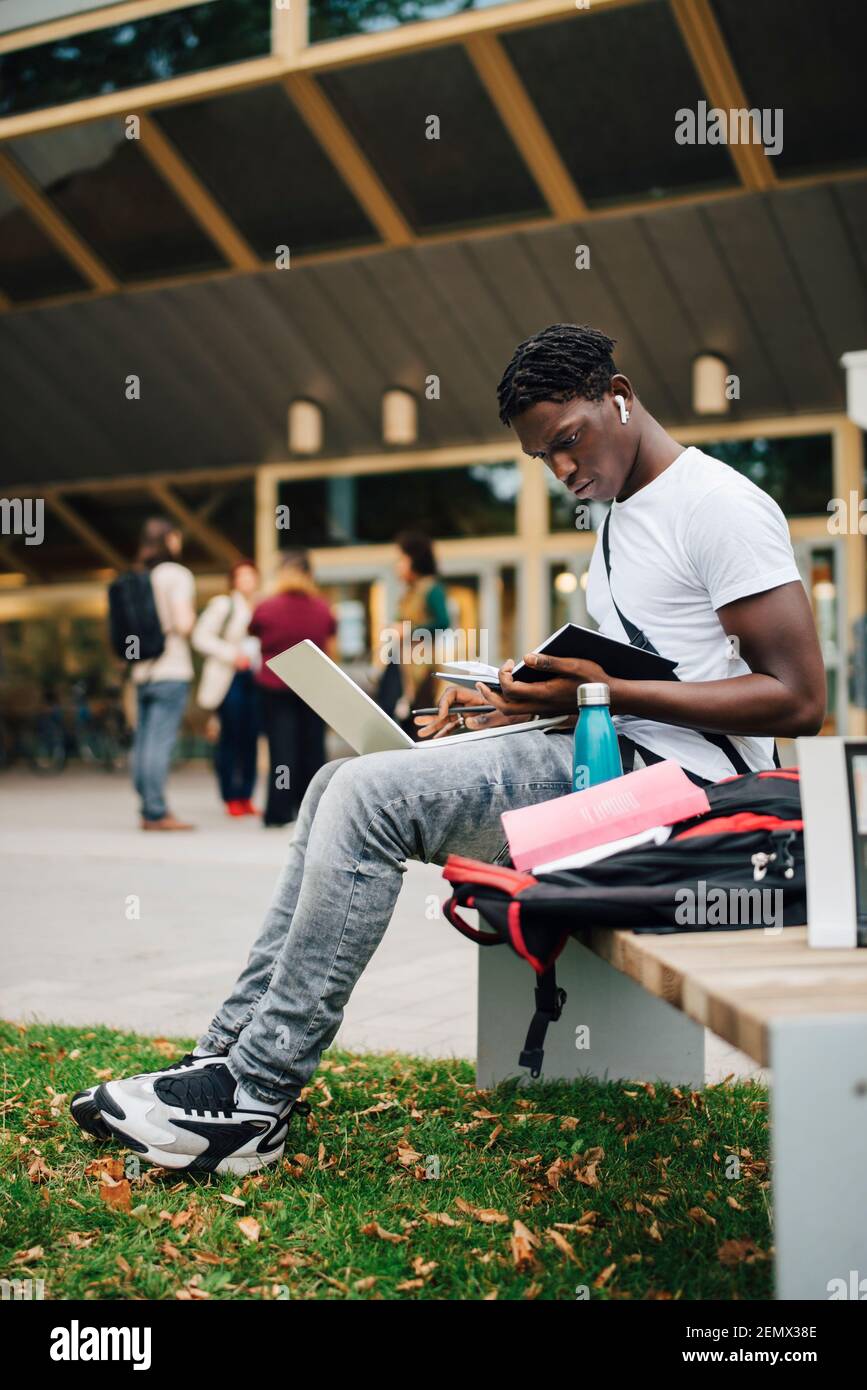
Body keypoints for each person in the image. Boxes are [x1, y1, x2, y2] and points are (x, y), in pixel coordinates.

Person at [72, 324, 826, 1173]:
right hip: (615, 765)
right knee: (334, 781)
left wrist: (597, 693)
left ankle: (254, 1099)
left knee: (369, 799)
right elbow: (625, 669)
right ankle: (224, 1054)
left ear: (618, 394)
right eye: (543, 458)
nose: (563, 471)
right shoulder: (620, 515)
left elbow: (798, 698)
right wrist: (507, 704)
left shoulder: (717, 505)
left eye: (567, 442)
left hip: (685, 798)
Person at [250, 550, 337, 828]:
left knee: (281, 749)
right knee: (312, 748)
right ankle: (311, 811)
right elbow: (331, 648)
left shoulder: (267, 607)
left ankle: (278, 811)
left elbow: (254, 635)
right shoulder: (322, 608)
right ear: (309, 575)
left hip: (274, 685)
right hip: (313, 684)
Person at [130, 517, 196, 832]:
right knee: (160, 741)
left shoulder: (139, 576)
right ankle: (156, 811)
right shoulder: (176, 575)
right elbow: (183, 624)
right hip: (170, 666)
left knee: (144, 739)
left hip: (142, 669)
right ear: (170, 539)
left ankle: (147, 806)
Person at [192, 559, 261, 817]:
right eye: (241, 576)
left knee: (250, 738)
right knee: (230, 737)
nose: (246, 581)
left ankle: (246, 794)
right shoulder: (224, 605)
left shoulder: (259, 605)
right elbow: (200, 637)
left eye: (250, 576)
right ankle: (230, 795)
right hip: (229, 678)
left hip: (253, 679)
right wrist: (232, 654)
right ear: (233, 580)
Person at [375, 531, 452, 731]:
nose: (397, 565)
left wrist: (408, 630)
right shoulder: (410, 590)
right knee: (389, 713)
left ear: (414, 559)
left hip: (419, 667)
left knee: (416, 721)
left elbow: (443, 622)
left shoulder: (431, 589)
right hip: (401, 661)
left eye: (401, 558)